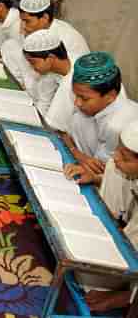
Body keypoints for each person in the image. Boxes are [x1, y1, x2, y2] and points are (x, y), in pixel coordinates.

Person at [63, 120, 138, 314]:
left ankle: (127, 295)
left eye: (126, 157)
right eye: (119, 149)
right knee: (113, 167)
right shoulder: (118, 163)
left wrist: (123, 297)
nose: (116, 156)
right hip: (127, 232)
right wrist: (96, 177)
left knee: (90, 280)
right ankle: (107, 235)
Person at [63, 52, 138, 174]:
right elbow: (64, 135)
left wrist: (79, 158)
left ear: (110, 96)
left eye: (84, 98)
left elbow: (99, 170)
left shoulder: (116, 125)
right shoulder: (87, 107)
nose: (77, 102)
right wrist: (77, 154)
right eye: (75, 95)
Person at [2, 0, 90, 91]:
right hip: (46, 77)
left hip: (67, 86)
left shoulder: (63, 38)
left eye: (27, 21)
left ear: (44, 18)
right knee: (10, 45)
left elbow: (57, 73)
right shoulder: (38, 31)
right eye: (21, 20)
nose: (23, 27)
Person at [22, 29, 71, 121]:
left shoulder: (76, 77)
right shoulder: (49, 73)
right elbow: (44, 102)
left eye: (33, 62)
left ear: (50, 58)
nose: (32, 68)